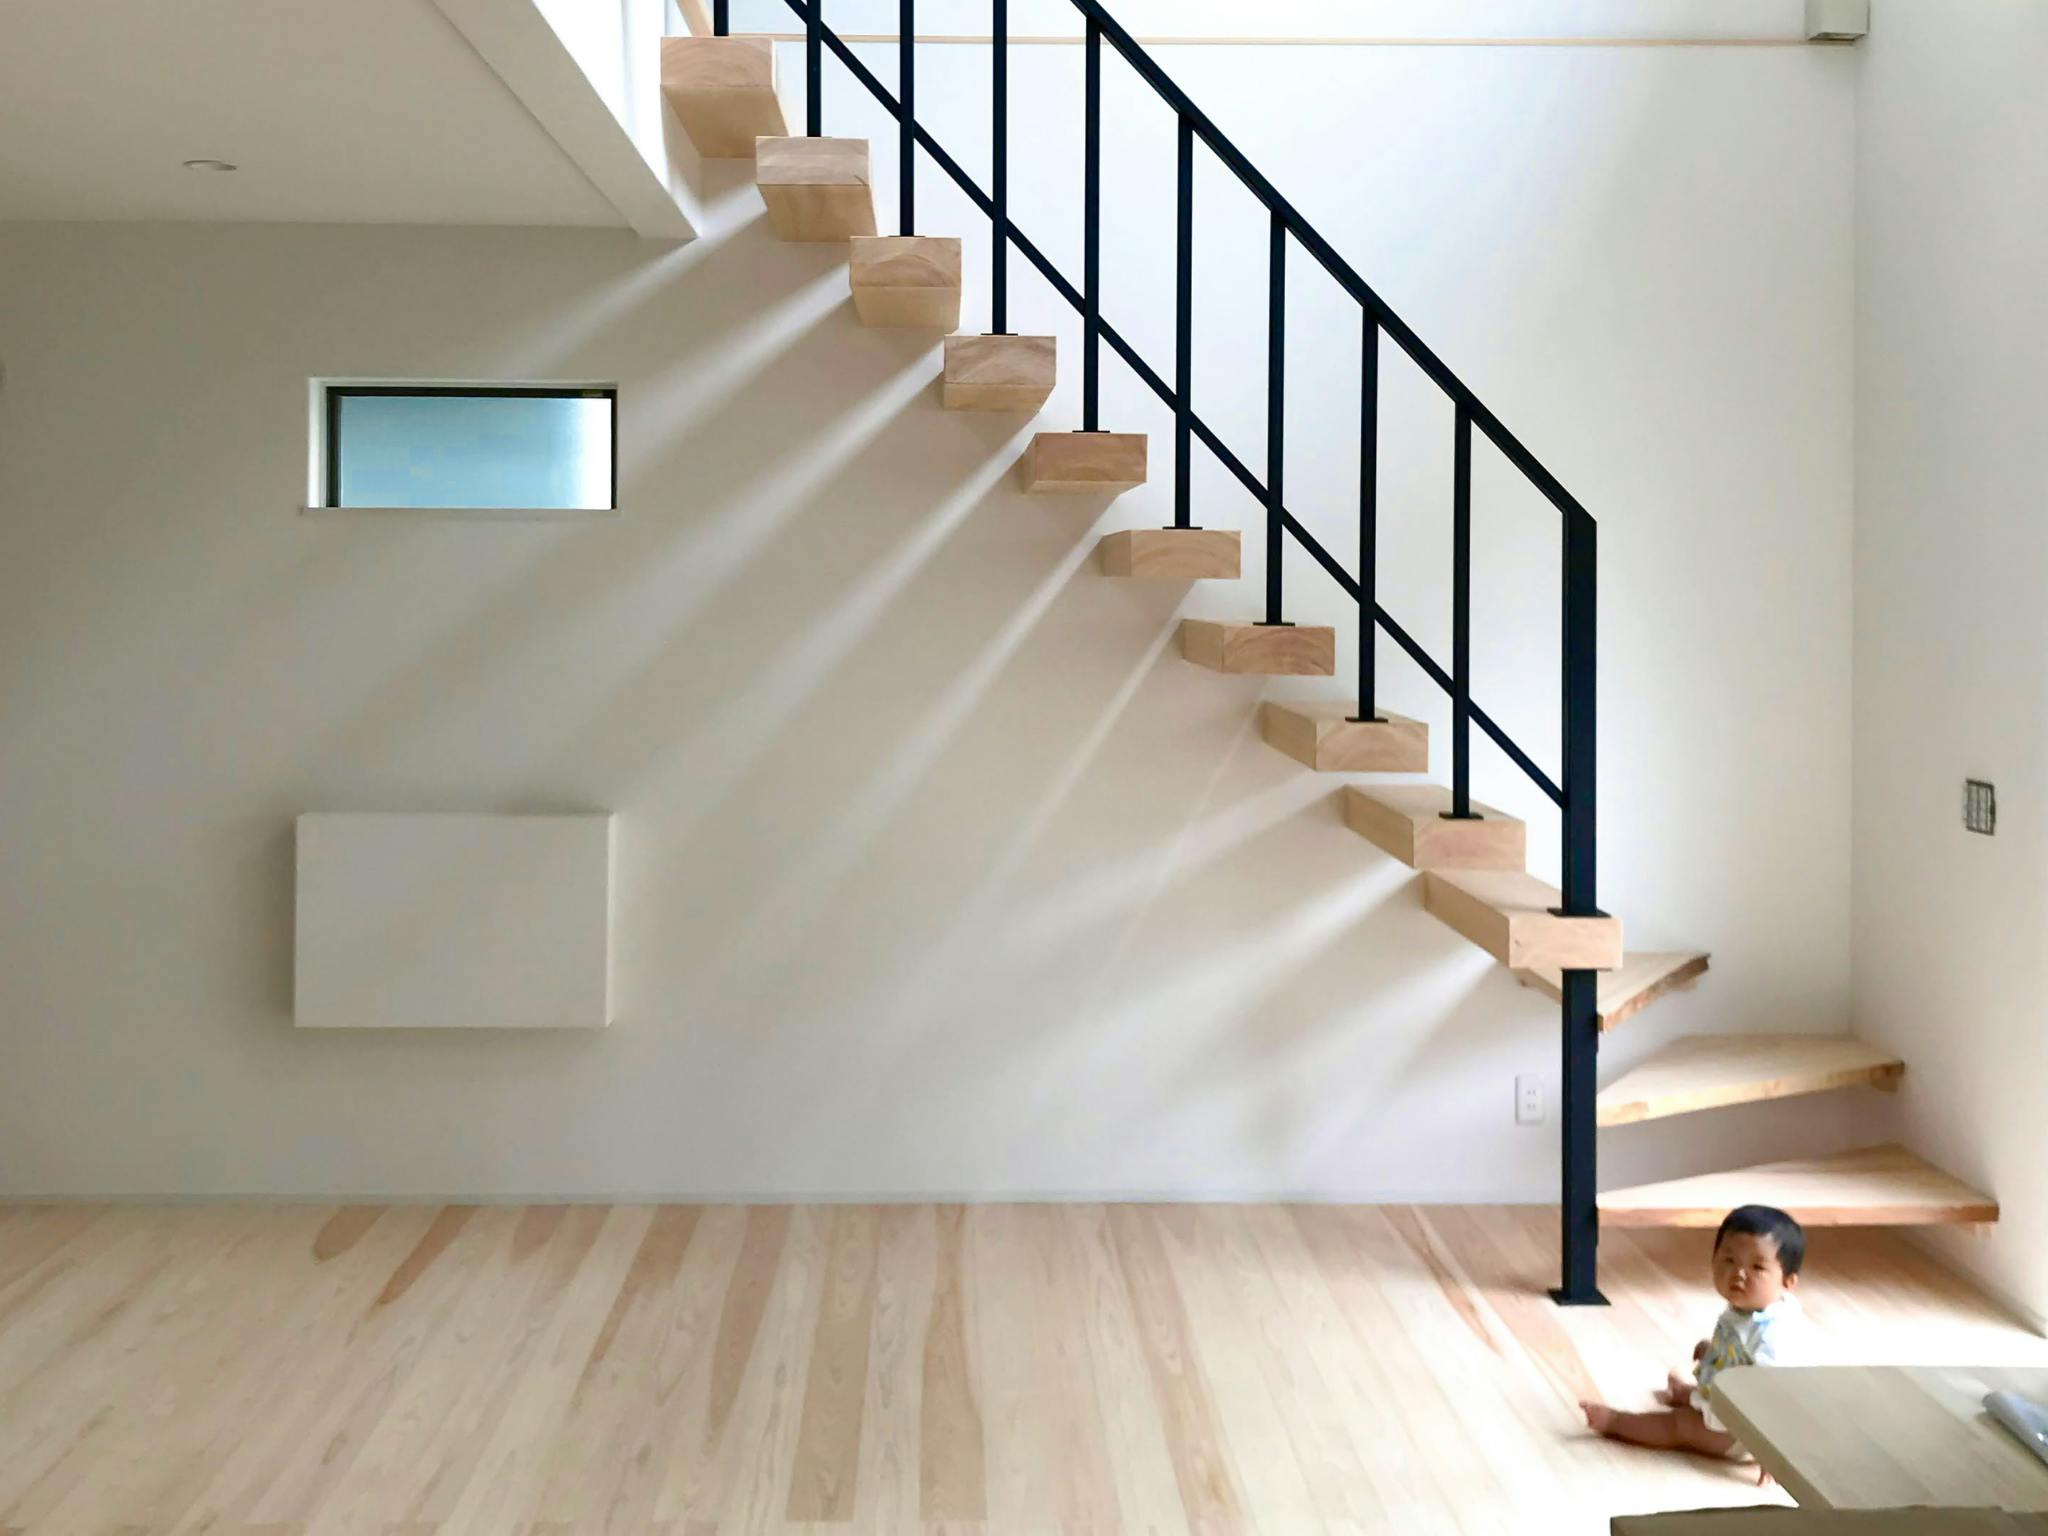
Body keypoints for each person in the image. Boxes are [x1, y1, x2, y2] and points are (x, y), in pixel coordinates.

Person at [1580, 1205, 1808, 1463]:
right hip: (1728, 1404)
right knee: (1698, 1389)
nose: (1739, 1273)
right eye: (1729, 1260)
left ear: (1788, 1282)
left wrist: (1771, 1448)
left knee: (1678, 1426)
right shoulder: (1751, 1308)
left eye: (1757, 1267)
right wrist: (1715, 1351)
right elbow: (1742, 1350)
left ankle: (1615, 1422)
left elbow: (1775, 1393)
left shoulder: (1775, 1335)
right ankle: (1692, 1396)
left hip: (1744, 1433)